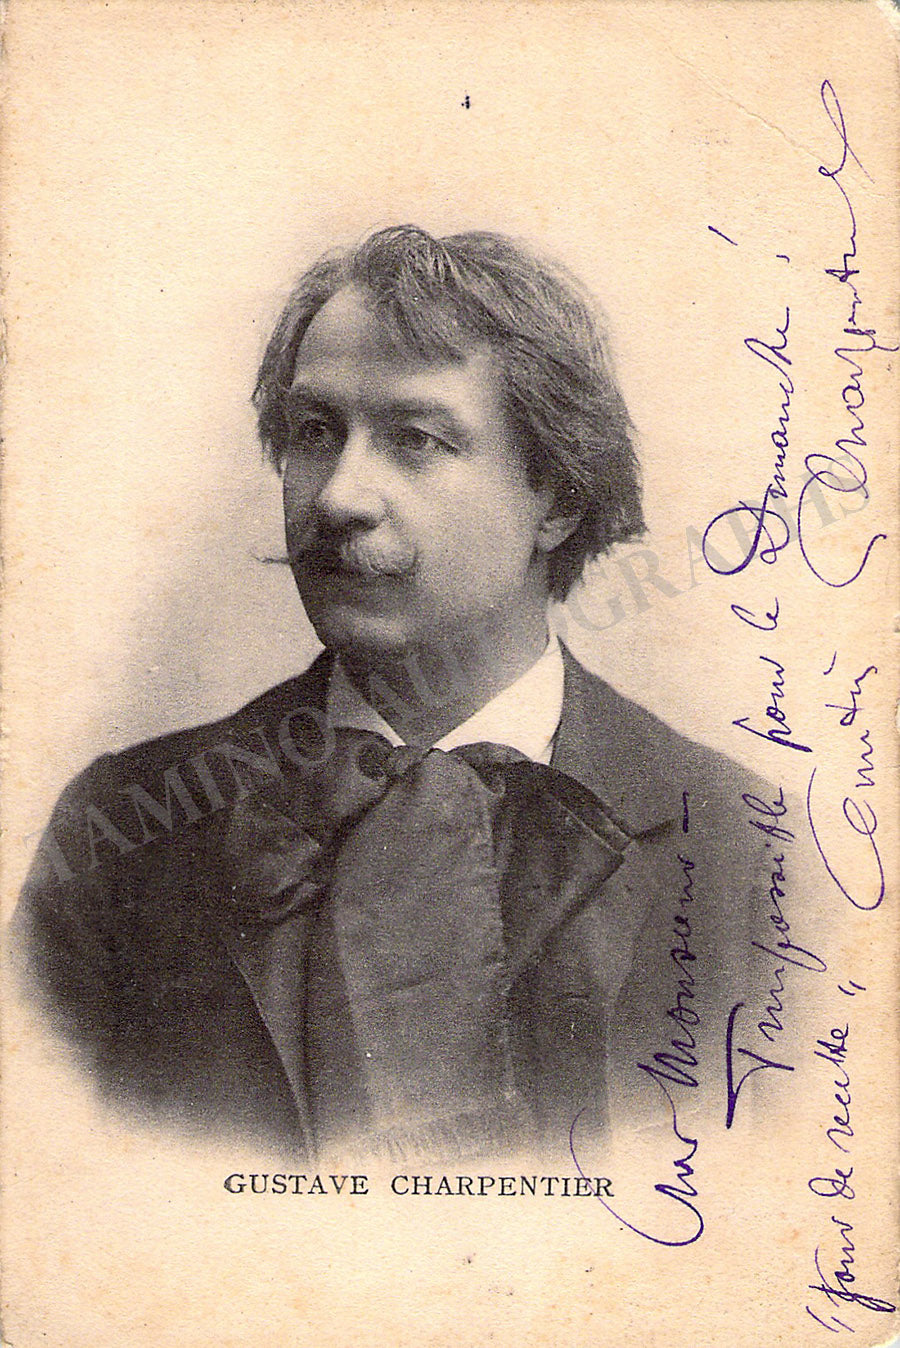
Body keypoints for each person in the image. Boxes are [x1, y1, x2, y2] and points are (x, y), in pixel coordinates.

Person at [12, 225, 784, 1165]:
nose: (339, 497)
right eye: (314, 433)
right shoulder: (123, 831)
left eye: (415, 439)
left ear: (556, 498)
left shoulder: (752, 852)